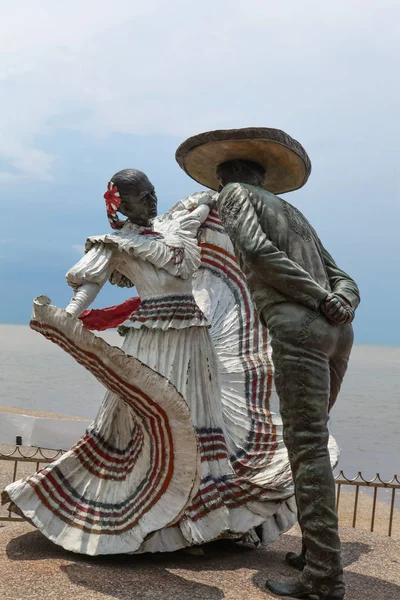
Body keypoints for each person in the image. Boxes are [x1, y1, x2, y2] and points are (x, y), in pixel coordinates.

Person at [2, 167, 301, 555]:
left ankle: (202, 523)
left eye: (153, 193)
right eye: (143, 197)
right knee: (147, 423)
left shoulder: (175, 229)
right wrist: (66, 318)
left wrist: (229, 187)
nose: (152, 201)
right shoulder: (113, 243)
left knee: (200, 422)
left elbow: (203, 203)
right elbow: (89, 286)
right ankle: (158, 527)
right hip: (151, 343)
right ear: (122, 205)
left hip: (195, 339)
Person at [175, 128, 360, 599]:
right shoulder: (294, 213)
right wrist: (341, 300)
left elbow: (257, 251)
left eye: (220, 178)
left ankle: (323, 578)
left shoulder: (236, 196)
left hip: (299, 325)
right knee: (312, 440)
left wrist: (319, 297)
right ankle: (321, 553)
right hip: (338, 332)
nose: (219, 188)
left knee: (308, 445)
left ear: (233, 175)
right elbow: (343, 275)